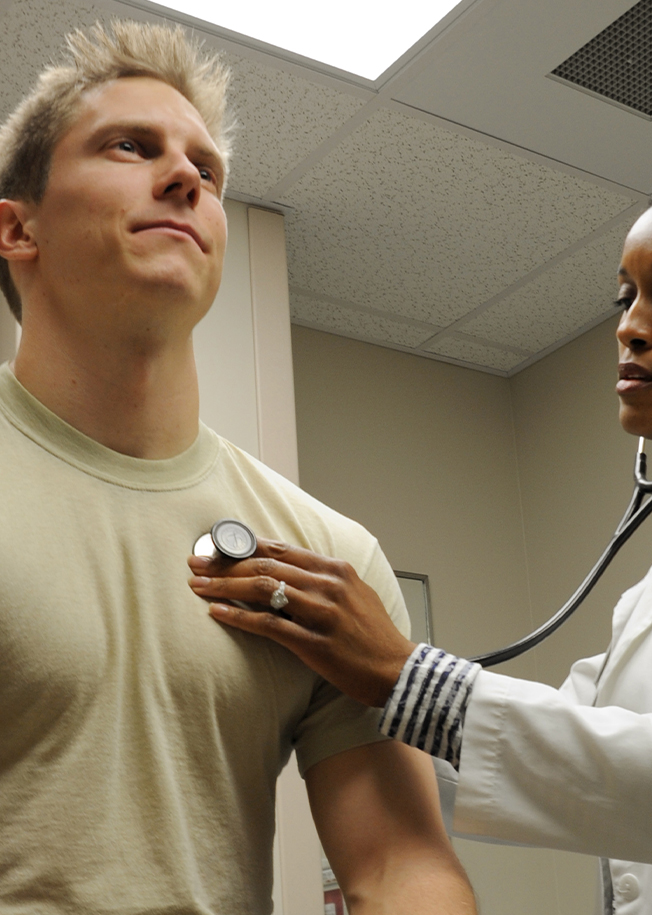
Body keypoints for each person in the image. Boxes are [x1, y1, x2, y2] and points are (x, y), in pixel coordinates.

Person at [189, 172, 652, 914]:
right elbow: (565, 753)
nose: (629, 326)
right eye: (623, 296)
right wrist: (350, 672)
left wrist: (402, 672)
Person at [0, 19, 476, 915]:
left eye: (207, 170)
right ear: (17, 229)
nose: (185, 176)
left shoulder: (324, 557)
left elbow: (400, 867)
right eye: (130, 146)